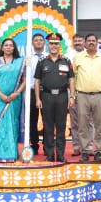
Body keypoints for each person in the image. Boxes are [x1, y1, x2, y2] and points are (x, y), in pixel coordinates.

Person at [34, 33, 75, 162]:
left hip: (62, 96)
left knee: (61, 127)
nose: (54, 46)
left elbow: (71, 79)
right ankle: (50, 154)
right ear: (48, 45)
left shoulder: (66, 61)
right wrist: (37, 99)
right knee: (48, 126)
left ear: (59, 46)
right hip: (46, 96)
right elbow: (37, 81)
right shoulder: (42, 61)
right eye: (51, 44)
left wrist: (72, 96)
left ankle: (61, 155)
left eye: (56, 44)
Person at [74, 33, 101, 161]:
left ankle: (99, 150)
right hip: (82, 95)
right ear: (85, 43)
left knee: (99, 124)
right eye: (89, 41)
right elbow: (73, 77)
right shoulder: (78, 58)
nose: (91, 42)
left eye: (93, 41)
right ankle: (85, 150)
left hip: (99, 95)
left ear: (97, 43)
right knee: (83, 125)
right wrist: (73, 95)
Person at [0, 38, 26, 162]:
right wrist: (1, 95)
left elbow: (24, 81)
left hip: (14, 99)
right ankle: (0, 154)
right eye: (6, 45)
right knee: (1, 126)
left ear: (14, 47)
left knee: (12, 124)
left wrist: (16, 93)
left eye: (11, 45)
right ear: (2, 47)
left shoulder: (20, 61)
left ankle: (12, 154)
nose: (8, 47)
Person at [26, 32, 46, 154]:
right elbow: (26, 75)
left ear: (44, 43)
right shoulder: (29, 58)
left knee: (47, 119)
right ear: (32, 43)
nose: (38, 42)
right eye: (36, 40)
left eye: (40, 40)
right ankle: (34, 144)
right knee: (32, 120)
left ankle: (47, 144)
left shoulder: (48, 56)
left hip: (46, 92)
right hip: (32, 92)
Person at [66, 33, 86, 156]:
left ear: (84, 42)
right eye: (76, 41)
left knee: (88, 122)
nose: (78, 43)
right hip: (72, 92)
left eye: (80, 41)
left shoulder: (89, 54)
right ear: (73, 43)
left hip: (87, 92)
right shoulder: (68, 56)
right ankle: (76, 147)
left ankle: (87, 147)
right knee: (75, 122)